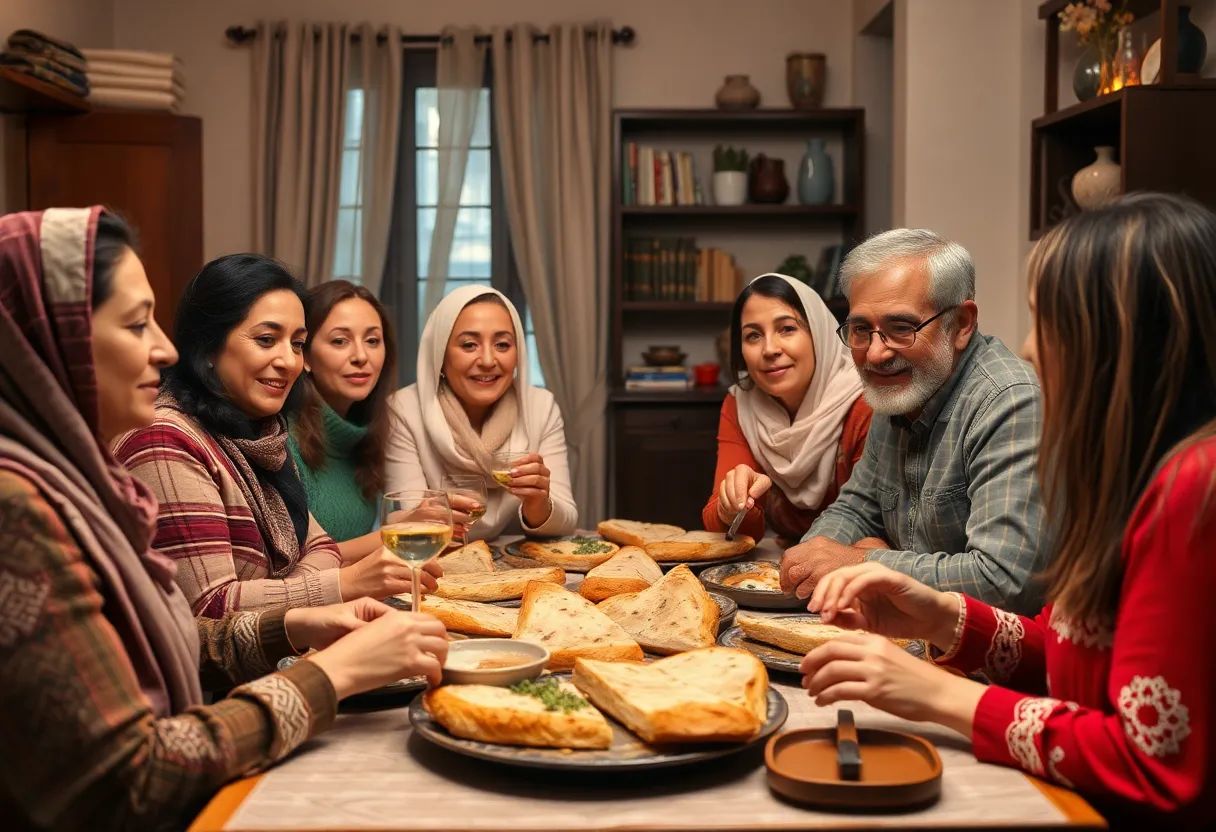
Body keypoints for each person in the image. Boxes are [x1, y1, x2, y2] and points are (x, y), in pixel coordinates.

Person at [0, 207, 448, 830]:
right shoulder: (18, 507)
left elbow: (189, 635)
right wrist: (331, 673)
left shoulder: (86, 478)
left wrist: (297, 621)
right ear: (43, 340)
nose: (162, 347)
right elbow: (134, 779)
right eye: (136, 324)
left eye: (296, 343)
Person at [802, 193, 1216, 827]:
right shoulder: (1142, 471)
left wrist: (940, 694)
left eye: (1048, 321)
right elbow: (1075, 646)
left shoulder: (1195, 488)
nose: (1027, 349)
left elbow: (1150, 764)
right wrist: (943, 614)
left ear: (1126, 338)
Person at [113, 256, 434, 616]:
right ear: (208, 347)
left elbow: (324, 548)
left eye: (297, 344)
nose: (289, 361)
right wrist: (346, 582)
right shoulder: (165, 440)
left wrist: (284, 590)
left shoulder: (262, 433)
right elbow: (210, 610)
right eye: (267, 339)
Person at [782, 229, 1048, 614]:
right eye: (860, 329)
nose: (874, 354)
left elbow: (1004, 581)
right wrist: (817, 558)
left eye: (902, 328)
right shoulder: (901, 388)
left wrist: (863, 564)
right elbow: (857, 508)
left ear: (961, 324)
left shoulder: (1010, 402)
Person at [385, 285, 577, 539]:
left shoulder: (540, 406)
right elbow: (412, 526)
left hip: (517, 566)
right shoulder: (403, 409)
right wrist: (431, 515)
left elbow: (567, 521)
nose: (488, 360)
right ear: (440, 355)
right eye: (469, 345)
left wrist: (538, 503)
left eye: (502, 344)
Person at [702, 273, 872, 544]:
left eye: (787, 329)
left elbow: (873, 523)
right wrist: (731, 506)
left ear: (818, 332)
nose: (770, 349)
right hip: (782, 567)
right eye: (753, 335)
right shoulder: (741, 403)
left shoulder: (864, 402)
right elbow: (734, 532)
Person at [289, 280, 399, 562]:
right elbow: (296, 563)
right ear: (306, 355)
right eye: (340, 341)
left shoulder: (366, 433)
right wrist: (397, 532)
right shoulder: (282, 440)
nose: (361, 356)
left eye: (373, 341)